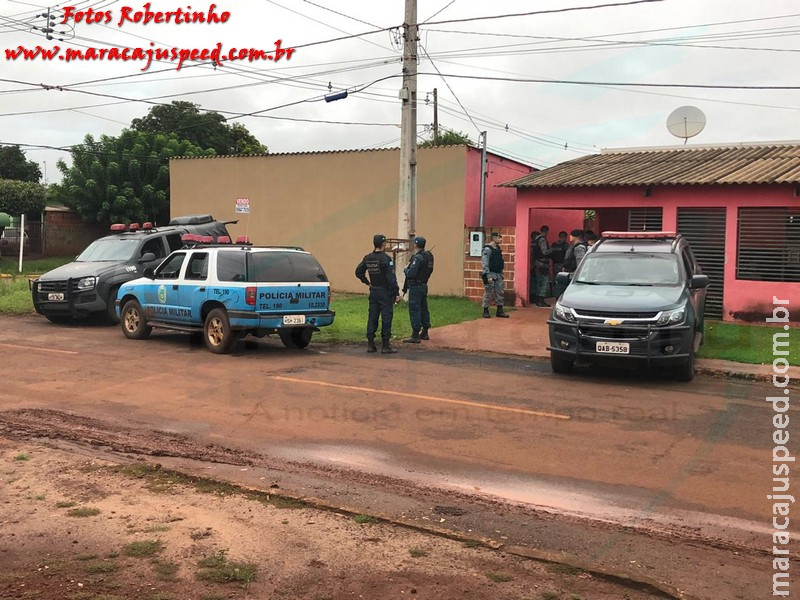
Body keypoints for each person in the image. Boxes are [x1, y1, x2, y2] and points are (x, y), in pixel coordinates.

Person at [355, 234, 400, 354]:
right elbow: (391, 279)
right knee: (386, 317)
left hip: (374, 291)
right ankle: (385, 346)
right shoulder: (386, 259)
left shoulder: (368, 258)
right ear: (384, 244)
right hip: (385, 292)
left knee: (372, 317)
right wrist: (396, 292)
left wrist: (367, 283)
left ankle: (371, 344)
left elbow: (358, 272)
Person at [402, 236, 435, 343]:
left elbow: (411, 273)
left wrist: (406, 269)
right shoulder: (429, 256)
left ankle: (415, 334)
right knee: (423, 307)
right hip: (424, 285)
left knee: (415, 309)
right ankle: (425, 331)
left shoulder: (418, 258)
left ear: (416, 245)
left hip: (415, 286)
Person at [481, 232, 509, 318]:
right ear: (494, 238)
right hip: (491, 273)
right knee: (489, 292)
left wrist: (501, 273)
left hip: (498, 274)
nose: (500, 239)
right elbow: (485, 263)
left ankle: (499, 310)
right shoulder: (487, 249)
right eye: (499, 237)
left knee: (500, 292)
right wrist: (488, 275)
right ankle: (486, 310)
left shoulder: (497, 248)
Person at [530, 225, 552, 307]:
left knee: (538, 281)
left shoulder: (535, 240)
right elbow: (544, 252)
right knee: (544, 281)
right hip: (542, 264)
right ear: (546, 231)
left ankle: (538, 299)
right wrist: (552, 249)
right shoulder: (542, 239)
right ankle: (541, 300)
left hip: (536, 263)